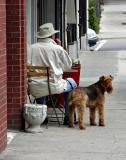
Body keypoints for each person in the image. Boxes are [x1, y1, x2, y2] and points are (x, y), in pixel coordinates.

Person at [27, 23, 77, 125]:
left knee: (41, 84)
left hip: (34, 87)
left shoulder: (31, 48)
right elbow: (68, 65)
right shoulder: (57, 48)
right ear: (52, 36)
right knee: (71, 82)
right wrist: (59, 47)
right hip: (54, 86)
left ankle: (43, 116)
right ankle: (69, 116)